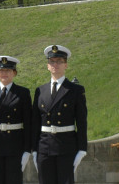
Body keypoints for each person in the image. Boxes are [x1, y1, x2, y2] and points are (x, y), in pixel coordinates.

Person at [32, 45, 87, 184]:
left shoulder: (75, 90)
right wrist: (33, 149)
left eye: (59, 61)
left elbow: (81, 121)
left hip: (66, 147)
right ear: (48, 65)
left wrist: (82, 149)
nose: (55, 64)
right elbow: (35, 122)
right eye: (52, 61)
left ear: (66, 65)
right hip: (44, 146)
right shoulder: (40, 90)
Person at [0, 55, 32, 184]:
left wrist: (27, 150)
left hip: (14, 146)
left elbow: (29, 123)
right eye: (1, 71)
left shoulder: (22, 93)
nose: (4, 74)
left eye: (8, 71)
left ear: (14, 73)